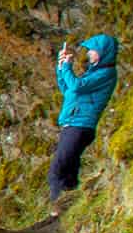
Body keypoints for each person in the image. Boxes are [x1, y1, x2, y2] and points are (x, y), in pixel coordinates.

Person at [49, 32, 119, 211]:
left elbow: (76, 86)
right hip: (73, 124)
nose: (88, 53)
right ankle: (70, 206)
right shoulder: (94, 73)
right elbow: (68, 90)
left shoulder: (106, 73)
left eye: (92, 50)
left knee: (57, 169)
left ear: (102, 52)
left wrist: (67, 66)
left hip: (80, 125)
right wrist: (61, 67)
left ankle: (56, 208)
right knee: (69, 168)